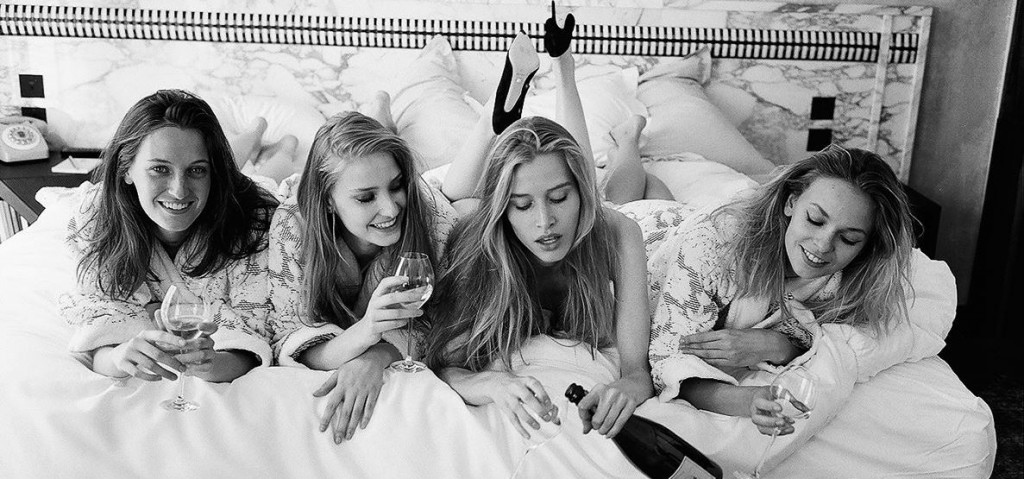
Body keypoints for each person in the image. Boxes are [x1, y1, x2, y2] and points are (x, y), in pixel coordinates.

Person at [425, 6, 653, 440]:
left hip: (595, 206)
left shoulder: (620, 233)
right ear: (503, 208)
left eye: (560, 199)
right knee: (455, 198)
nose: (545, 223)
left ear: (577, 195)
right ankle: (498, 112)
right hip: (472, 202)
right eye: (522, 206)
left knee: (622, 194)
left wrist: (625, 388)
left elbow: (637, 372)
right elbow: (443, 363)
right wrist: (491, 383)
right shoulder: (479, 238)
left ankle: (628, 137)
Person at [640, 144, 915, 436]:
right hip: (651, 236)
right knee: (625, 197)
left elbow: (808, 335)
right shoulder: (713, 244)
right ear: (791, 202)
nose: (823, 245)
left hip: (685, 221)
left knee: (665, 200)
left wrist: (778, 346)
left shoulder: (844, 283)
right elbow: (666, 360)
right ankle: (629, 142)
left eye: (848, 238)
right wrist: (747, 399)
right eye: (815, 220)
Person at [59, 89, 280, 383]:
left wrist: (211, 363)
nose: (178, 190)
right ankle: (255, 130)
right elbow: (97, 336)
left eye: (197, 170)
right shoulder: (96, 218)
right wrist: (118, 356)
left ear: (213, 174)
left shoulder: (253, 222)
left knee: (279, 165)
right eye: (160, 169)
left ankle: (276, 140)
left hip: (236, 196)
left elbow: (254, 338)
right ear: (126, 169)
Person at [267, 107, 457, 444]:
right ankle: (280, 144)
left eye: (396, 186)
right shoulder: (291, 226)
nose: (391, 208)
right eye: (366, 197)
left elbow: (440, 325)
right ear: (328, 201)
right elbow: (291, 338)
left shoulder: (432, 220)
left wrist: (377, 356)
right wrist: (366, 332)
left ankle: (382, 112)